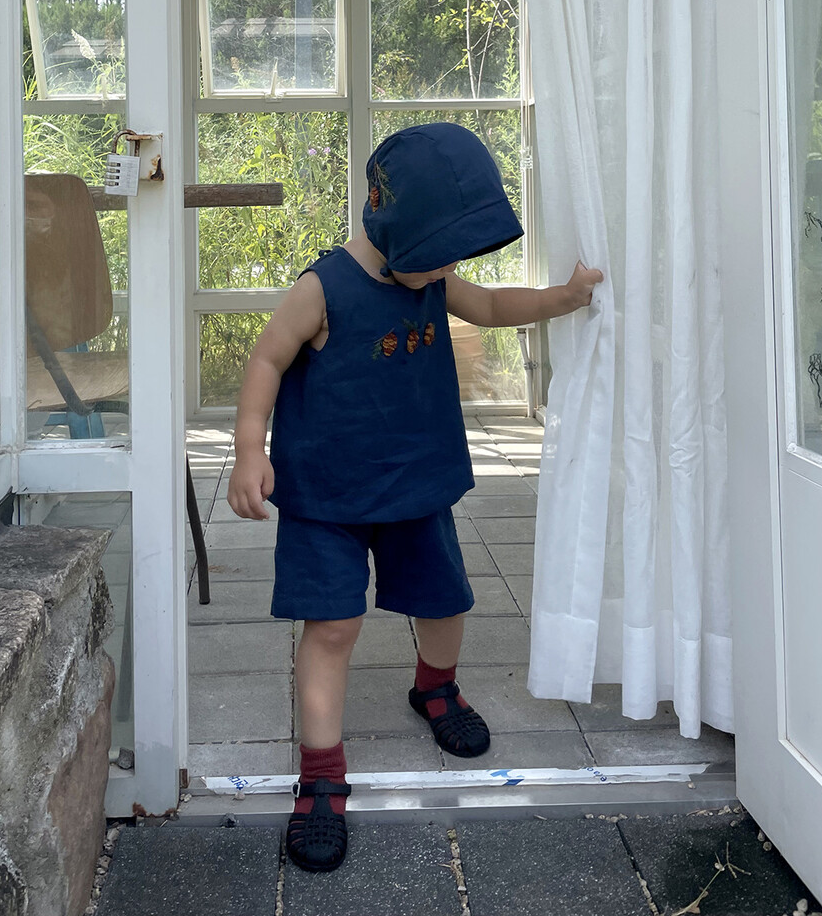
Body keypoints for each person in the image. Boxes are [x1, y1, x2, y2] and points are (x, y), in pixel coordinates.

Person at [228, 122, 603, 873]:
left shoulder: (429, 276)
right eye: (438, 254)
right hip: (326, 497)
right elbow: (266, 361)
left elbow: (490, 307)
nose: (447, 270)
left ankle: (436, 688)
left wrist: (564, 298)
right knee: (332, 626)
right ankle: (322, 774)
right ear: (391, 226)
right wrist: (247, 450)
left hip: (416, 482)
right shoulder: (322, 288)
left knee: (442, 600)